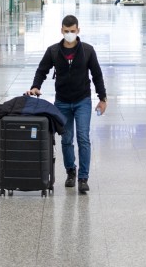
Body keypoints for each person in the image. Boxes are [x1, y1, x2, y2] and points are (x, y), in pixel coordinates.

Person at [26, 14, 107, 194]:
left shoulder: (87, 50)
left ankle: (83, 177)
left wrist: (102, 98)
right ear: (61, 30)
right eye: (66, 31)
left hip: (82, 101)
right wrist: (35, 87)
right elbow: (42, 70)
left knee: (83, 138)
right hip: (62, 102)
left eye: (72, 31)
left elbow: (97, 75)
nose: (69, 34)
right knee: (67, 138)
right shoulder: (53, 51)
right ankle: (71, 171)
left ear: (78, 30)